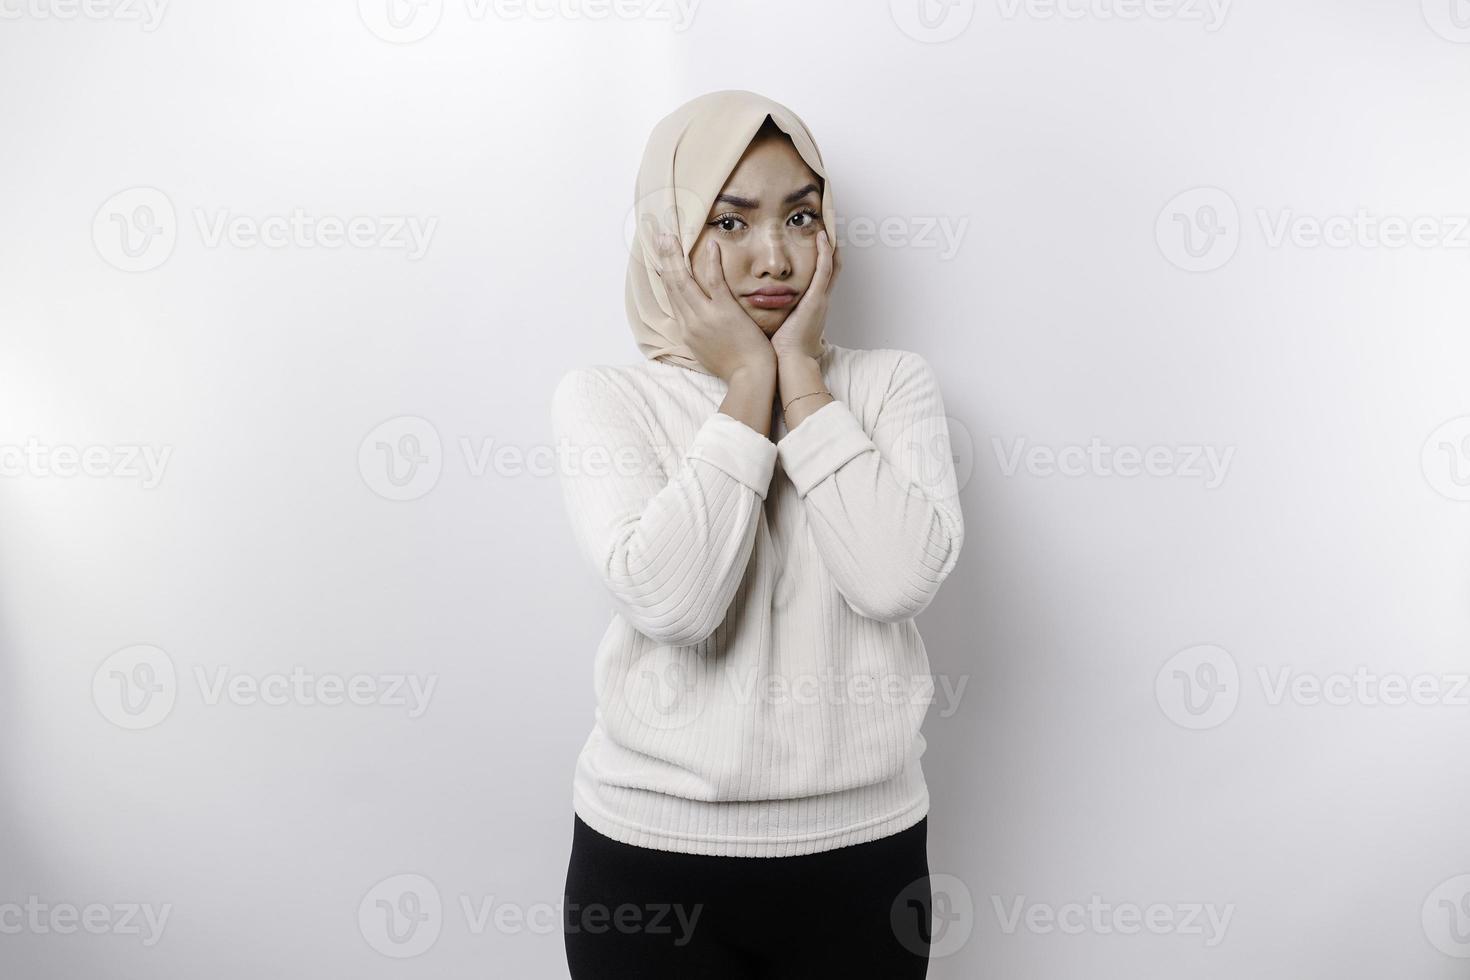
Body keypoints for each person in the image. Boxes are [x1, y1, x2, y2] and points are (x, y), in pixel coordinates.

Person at [551, 89, 965, 978]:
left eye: (801, 217)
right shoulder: (607, 398)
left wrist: (802, 386)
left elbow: (894, 580)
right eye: (729, 223)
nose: (774, 256)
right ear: (668, 241)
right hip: (652, 864)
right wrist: (746, 381)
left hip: (864, 858)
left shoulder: (891, 387)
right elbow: (674, 601)